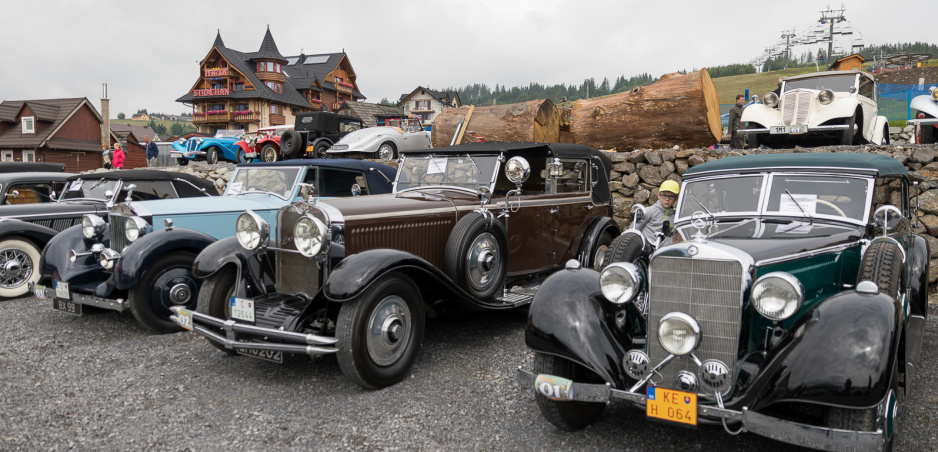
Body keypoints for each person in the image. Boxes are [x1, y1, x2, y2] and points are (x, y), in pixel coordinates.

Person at [635, 180, 679, 246]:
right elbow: (633, 232)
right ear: (659, 195)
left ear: (676, 199)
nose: (667, 199)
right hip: (645, 250)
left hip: (664, 252)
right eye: (664, 195)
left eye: (671, 196)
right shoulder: (648, 211)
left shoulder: (677, 217)